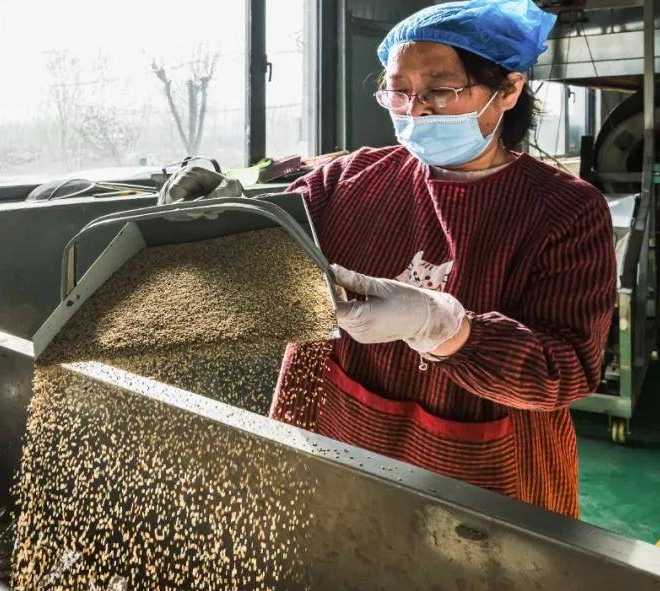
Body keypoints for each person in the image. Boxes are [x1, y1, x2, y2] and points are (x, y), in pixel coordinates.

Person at [157, 0, 616, 518]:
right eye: (399, 92)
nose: (415, 110)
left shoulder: (565, 210)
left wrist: (444, 326)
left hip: (476, 463)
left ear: (507, 90)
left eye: (440, 91)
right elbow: (271, 243)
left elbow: (567, 372)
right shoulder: (349, 179)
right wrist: (225, 207)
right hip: (336, 431)